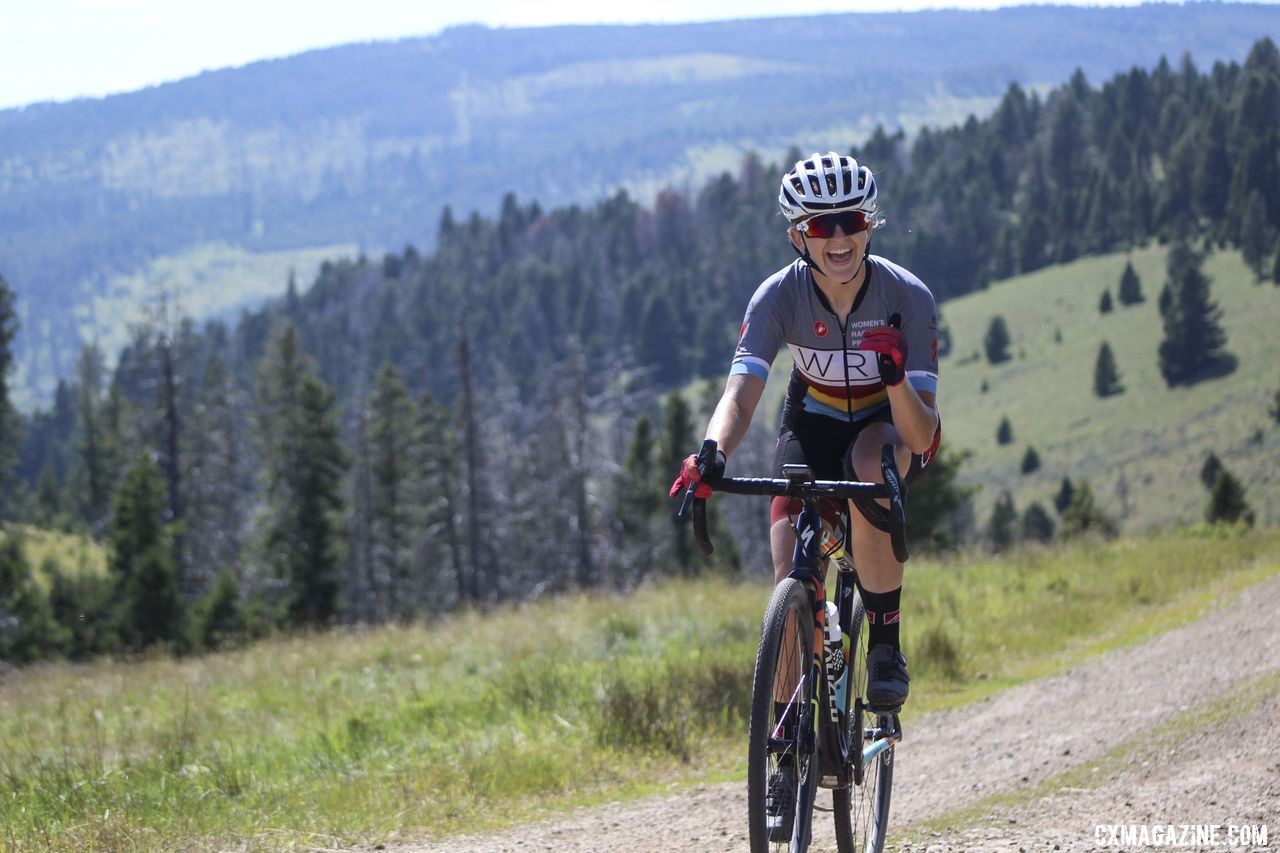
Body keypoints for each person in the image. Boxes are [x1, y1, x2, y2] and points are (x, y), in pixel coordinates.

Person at [669, 151, 941, 709]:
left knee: (870, 466)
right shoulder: (777, 297)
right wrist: (710, 453)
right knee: (788, 563)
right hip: (811, 423)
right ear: (799, 234)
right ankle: (787, 736)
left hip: (884, 429)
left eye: (853, 222)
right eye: (822, 225)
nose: (839, 238)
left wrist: (893, 381)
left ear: (870, 225)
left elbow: (923, 436)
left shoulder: (906, 297)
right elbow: (739, 397)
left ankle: (885, 645)